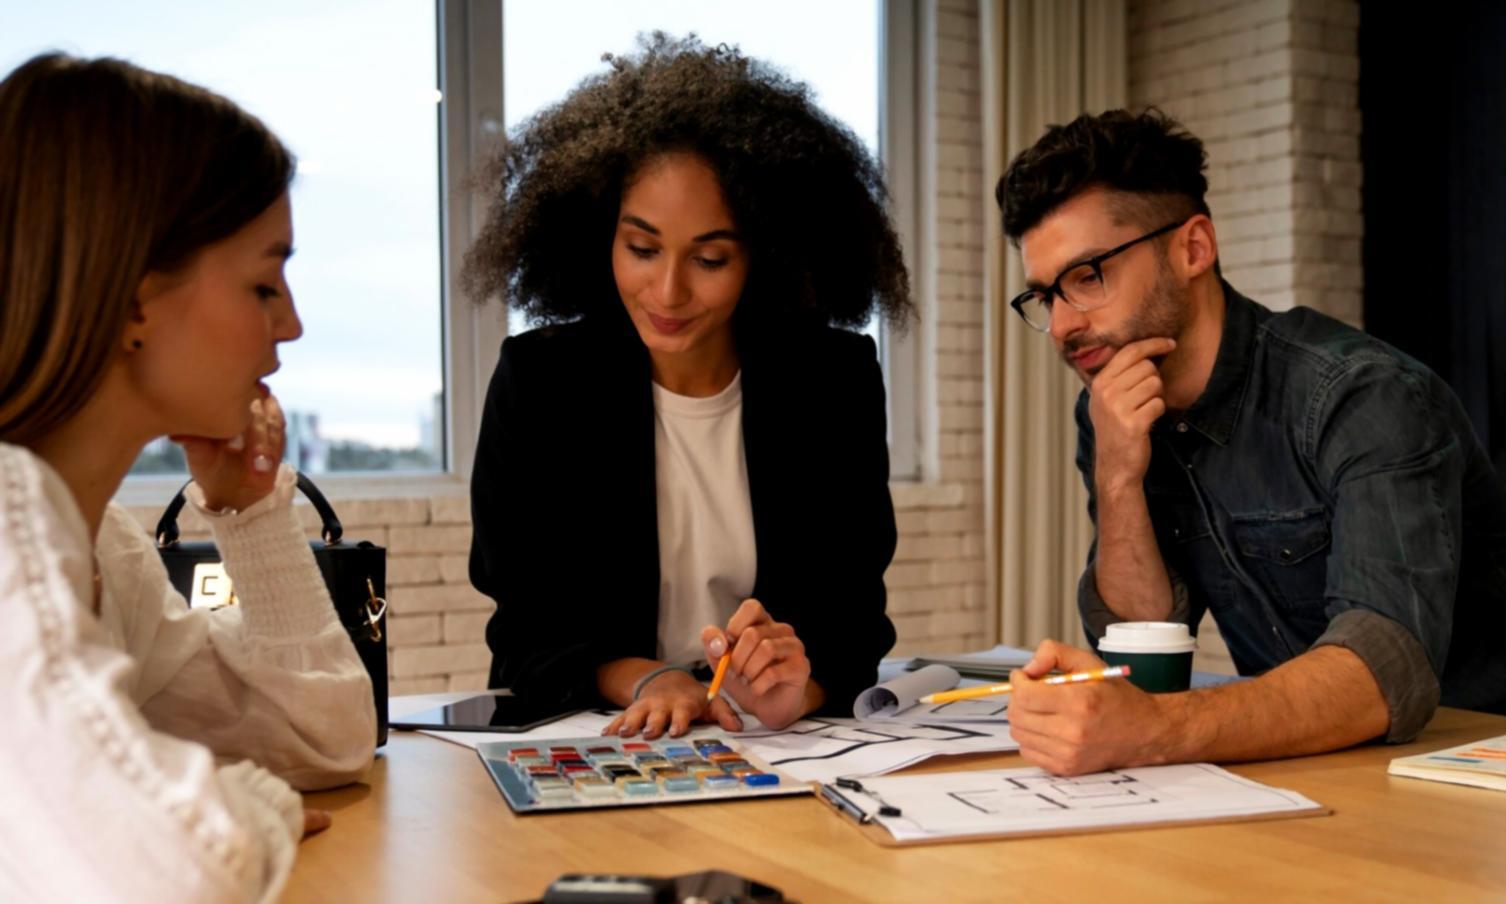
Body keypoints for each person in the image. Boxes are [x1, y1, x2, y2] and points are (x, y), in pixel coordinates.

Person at [992, 109, 1506, 776]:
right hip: (1316, 768)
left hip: (1467, 774)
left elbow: (1383, 671)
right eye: (1045, 296)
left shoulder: (1363, 395)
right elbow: (1142, 645)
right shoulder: (1113, 414)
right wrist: (1118, 478)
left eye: (1088, 276)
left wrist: (1152, 729)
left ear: (1193, 248)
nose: (1062, 326)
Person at [0, 54, 375, 899]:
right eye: (263, 281)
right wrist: (246, 805)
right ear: (134, 299)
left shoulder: (107, 553)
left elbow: (326, 743)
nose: (293, 323)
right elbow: (182, 869)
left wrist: (247, 512)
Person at [464, 35, 910, 738]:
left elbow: (853, 625)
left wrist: (798, 686)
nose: (667, 291)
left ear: (765, 257)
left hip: (771, 748)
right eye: (641, 249)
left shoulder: (832, 383)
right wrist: (651, 676)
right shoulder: (543, 384)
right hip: (598, 737)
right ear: (598, 236)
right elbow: (527, 633)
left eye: (709, 258)